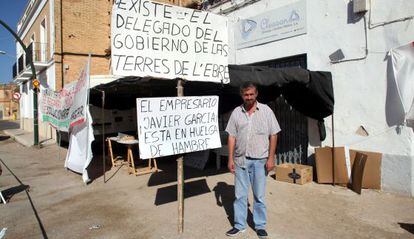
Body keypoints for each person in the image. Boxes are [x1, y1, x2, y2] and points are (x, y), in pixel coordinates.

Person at [225, 81, 280, 238]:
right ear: (242, 95)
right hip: (240, 160)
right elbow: (231, 136)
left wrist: (271, 158)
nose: (248, 97)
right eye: (245, 95)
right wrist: (230, 159)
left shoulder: (266, 111)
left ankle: (260, 226)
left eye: (251, 94)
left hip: (260, 161)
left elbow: (274, 135)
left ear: (256, 94)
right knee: (240, 195)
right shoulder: (236, 112)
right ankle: (239, 225)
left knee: (259, 196)